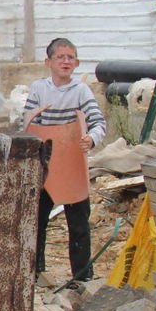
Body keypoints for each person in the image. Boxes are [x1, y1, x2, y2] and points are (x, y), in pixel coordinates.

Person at [23, 38, 107, 280]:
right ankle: (35, 272)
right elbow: (27, 123)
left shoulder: (81, 91)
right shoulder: (39, 88)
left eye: (70, 57)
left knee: (79, 222)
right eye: (60, 57)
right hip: (46, 165)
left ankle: (82, 276)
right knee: (37, 220)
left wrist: (91, 138)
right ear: (48, 62)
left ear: (77, 62)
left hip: (72, 164)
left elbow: (98, 122)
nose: (66, 61)